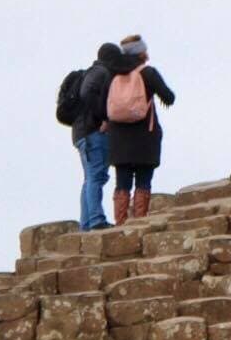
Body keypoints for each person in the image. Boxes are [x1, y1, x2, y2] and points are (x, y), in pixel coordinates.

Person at [102, 34, 174, 223]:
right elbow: (169, 97)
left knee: (122, 182)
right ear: (141, 52)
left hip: (118, 137)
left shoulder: (111, 75)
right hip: (145, 136)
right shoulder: (148, 73)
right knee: (143, 180)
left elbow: (103, 104)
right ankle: (139, 223)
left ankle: (121, 224)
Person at [70, 43, 122, 230]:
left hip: (81, 133)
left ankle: (87, 222)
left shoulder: (92, 72)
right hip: (92, 132)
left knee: (90, 177)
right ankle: (96, 220)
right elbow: (87, 93)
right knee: (96, 176)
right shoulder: (101, 72)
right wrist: (103, 118)